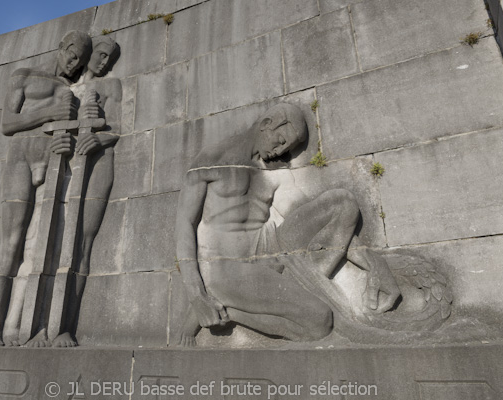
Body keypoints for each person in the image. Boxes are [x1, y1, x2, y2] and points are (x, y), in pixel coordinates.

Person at [175, 103, 401, 345]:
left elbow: (308, 219)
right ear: (266, 125)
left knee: (342, 203)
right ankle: (227, 308)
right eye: (281, 140)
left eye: (288, 147)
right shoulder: (213, 159)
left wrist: (374, 264)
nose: (281, 150)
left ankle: (301, 280)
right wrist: (197, 295)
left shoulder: (274, 168)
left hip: (269, 246)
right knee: (320, 321)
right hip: (229, 268)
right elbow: (184, 224)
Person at [0, 30, 95, 347]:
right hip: (20, 157)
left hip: (51, 158)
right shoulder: (24, 76)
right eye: (72, 56)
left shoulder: (69, 91)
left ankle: (23, 326)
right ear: (62, 47)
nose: (74, 65)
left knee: (40, 245)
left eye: (80, 63)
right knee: (12, 241)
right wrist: (48, 113)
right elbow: (7, 123)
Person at [50, 35, 122, 348]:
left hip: (99, 162)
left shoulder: (111, 86)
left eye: (110, 59)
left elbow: (118, 126)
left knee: (84, 242)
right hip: (64, 166)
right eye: (102, 55)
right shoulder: (64, 90)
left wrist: (100, 139)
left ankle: (65, 325)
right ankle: (45, 322)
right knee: (53, 239)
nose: (104, 63)